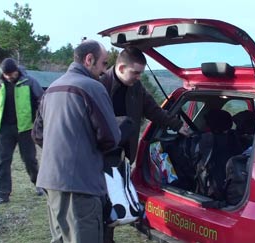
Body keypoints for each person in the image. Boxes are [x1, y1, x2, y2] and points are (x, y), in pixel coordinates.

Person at [32, 40, 121, 243]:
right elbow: (110, 138)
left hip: (50, 180)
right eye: (104, 63)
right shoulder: (92, 88)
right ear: (89, 60)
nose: (104, 70)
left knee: (61, 238)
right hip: (81, 185)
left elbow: (37, 134)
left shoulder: (52, 88)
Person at [99, 47, 189, 243]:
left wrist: (177, 125)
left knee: (114, 201)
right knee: (99, 204)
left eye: (141, 73)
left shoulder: (136, 88)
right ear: (121, 67)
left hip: (120, 156)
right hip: (98, 156)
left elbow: (154, 111)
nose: (139, 77)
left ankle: (107, 238)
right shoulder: (100, 85)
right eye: (136, 73)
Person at [0, 57, 44, 205]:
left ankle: (40, 185)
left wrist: (41, 123)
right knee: (3, 161)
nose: (9, 77)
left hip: (26, 128)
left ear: (16, 71)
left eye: (11, 74)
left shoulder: (30, 82)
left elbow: (42, 102)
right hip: (4, 129)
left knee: (30, 160)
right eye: (6, 74)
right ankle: (2, 193)